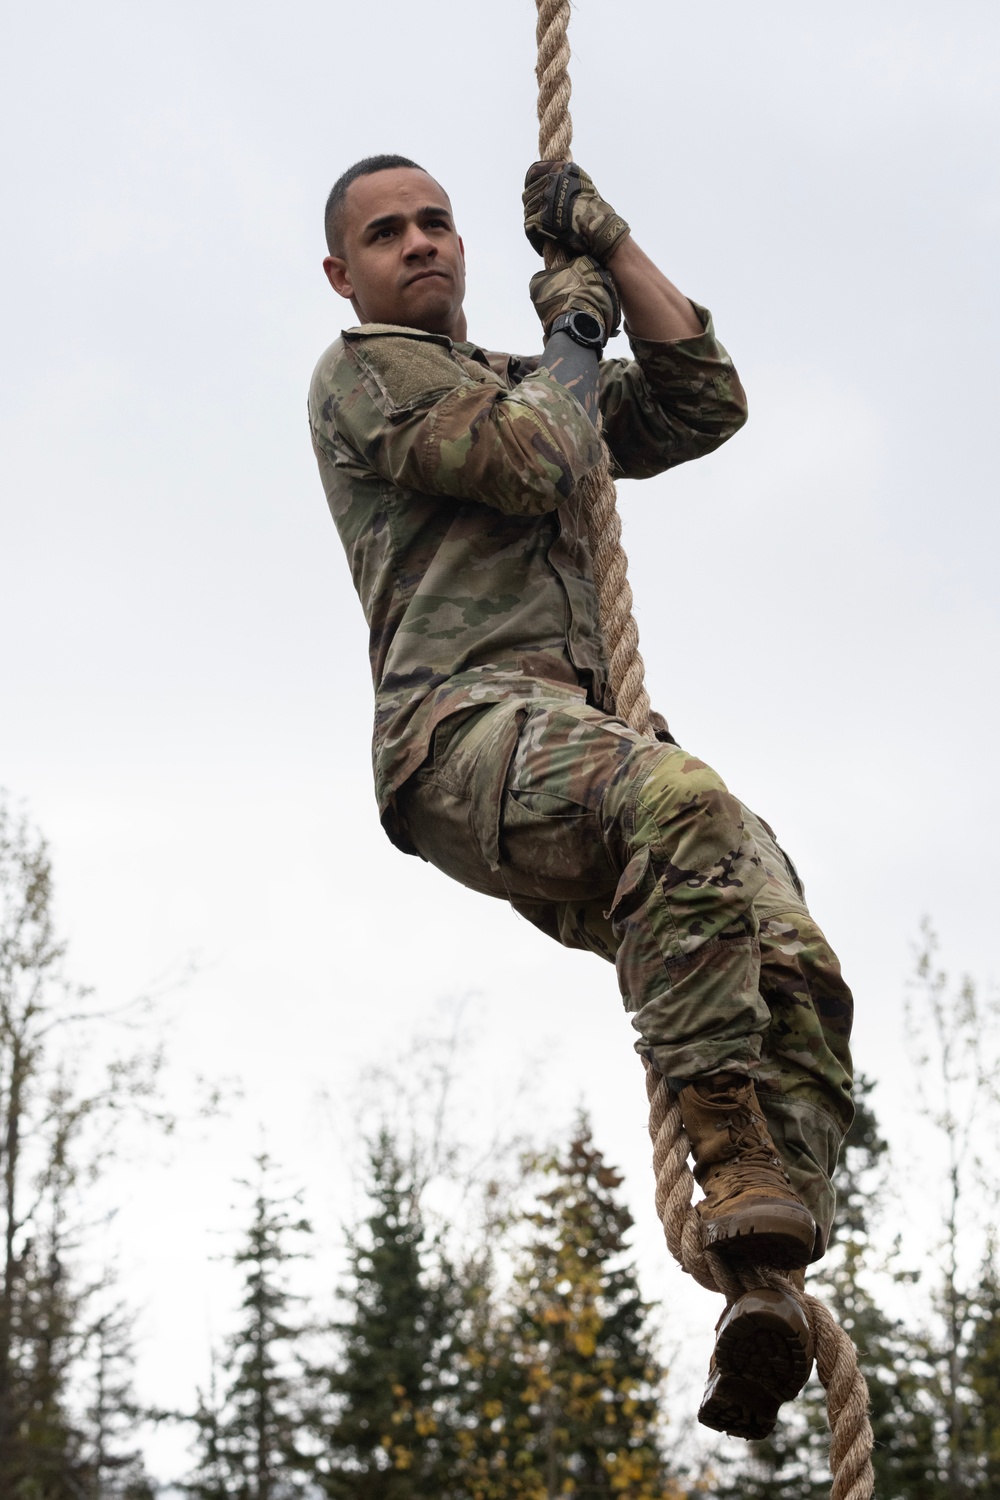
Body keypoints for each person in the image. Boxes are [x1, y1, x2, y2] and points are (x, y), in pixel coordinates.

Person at [307, 153, 855, 1440]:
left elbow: (702, 400)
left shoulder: (533, 376)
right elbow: (531, 463)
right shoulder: (366, 378)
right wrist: (572, 324)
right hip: (467, 734)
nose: (423, 243)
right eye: (388, 233)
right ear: (346, 273)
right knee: (681, 801)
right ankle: (729, 1148)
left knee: (788, 959)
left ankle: (761, 1271)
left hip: (588, 747)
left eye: (437, 221)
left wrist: (613, 247)